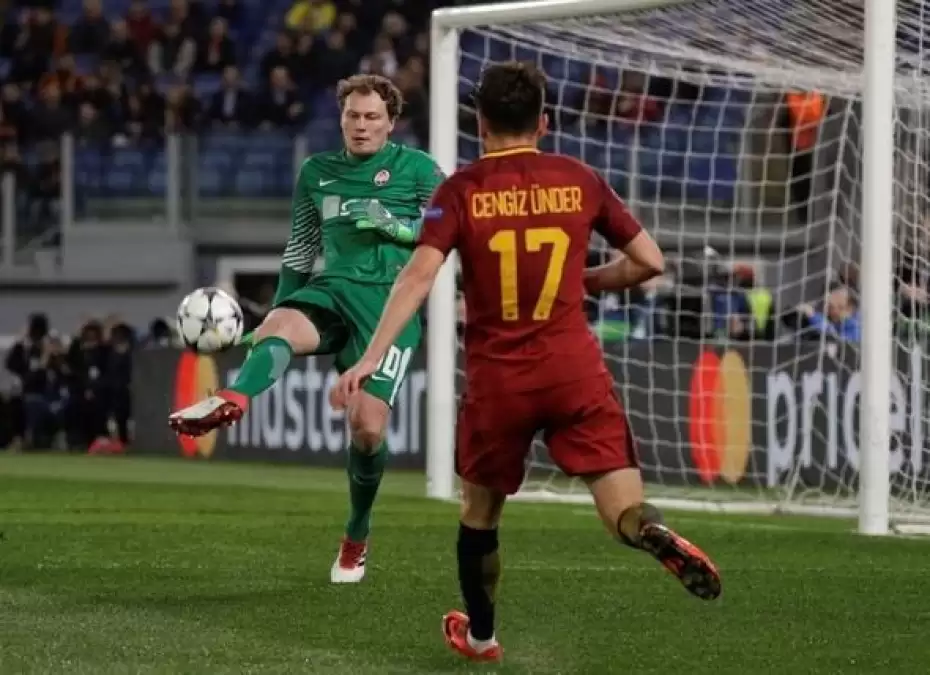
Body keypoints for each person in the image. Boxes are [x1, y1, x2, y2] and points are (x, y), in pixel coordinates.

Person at [330, 61, 722, 663]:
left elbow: (418, 277)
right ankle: (647, 530)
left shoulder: (460, 190)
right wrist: (585, 280)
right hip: (574, 371)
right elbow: (650, 261)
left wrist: (371, 357)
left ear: (480, 123)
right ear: (545, 121)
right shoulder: (580, 178)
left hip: (500, 382)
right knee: (621, 505)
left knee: (480, 515)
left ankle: (481, 636)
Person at [168, 73, 445, 583]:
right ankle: (235, 398)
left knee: (367, 429)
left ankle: (356, 535)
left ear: (391, 123)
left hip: (390, 308)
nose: (361, 126)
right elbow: (299, 252)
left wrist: (398, 226)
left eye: (372, 117)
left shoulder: (420, 169)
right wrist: (276, 313)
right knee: (281, 324)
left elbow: (450, 227)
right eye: (352, 116)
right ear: (340, 119)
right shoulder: (316, 172)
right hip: (332, 290)